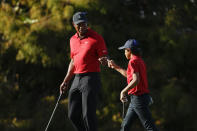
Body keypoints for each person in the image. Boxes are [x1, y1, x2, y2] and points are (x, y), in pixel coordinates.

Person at [60, 12, 108, 131]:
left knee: (88, 115)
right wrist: (66, 81)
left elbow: (105, 57)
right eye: (79, 24)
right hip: (76, 79)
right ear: (73, 25)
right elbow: (73, 61)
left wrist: (104, 60)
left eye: (84, 24)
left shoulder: (96, 38)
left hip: (91, 78)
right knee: (72, 115)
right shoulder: (72, 40)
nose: (82, 26)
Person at [108, 39, 159, 131]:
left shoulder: (132, 62)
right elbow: (130, 76)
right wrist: (116, 67)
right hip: (136, 98)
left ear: (129, 50)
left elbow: (136, 80)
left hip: (139, 98)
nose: (124, 53)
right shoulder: (139, 60)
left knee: (150, 127)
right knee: (125, 126)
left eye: (125, 50)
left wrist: (123, 91)